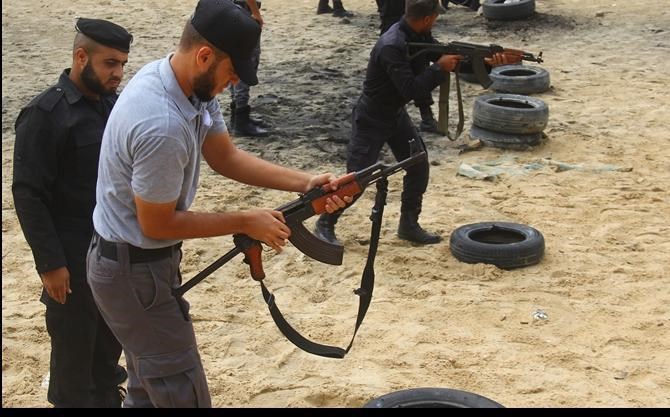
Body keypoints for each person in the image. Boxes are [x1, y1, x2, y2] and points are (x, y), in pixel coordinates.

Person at [86, 0, 348, 408]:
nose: (235, 82)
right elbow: (157, 223)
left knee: (148, 389)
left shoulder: (185, 82)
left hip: (137, 265)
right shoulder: (161, 123)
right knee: (180, 390)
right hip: (133, 271)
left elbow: (225, 157)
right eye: (232, 72)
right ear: (205, 55)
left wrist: (306, 183)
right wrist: (244, 220)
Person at [314, 0, 521, 245]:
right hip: (372, 117)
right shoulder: (392, 45)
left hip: (394, 114)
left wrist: (486, 62)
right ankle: (325, 223)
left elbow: (445, 57)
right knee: (357, 179)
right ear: (428, 19)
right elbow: (411, 88)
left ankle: (409, 225)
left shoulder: (417, 35)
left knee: (418, 165)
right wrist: (439, 69)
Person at [12, 18, 133, 408]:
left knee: (108, 354)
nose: (118, 73)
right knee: (73, 362)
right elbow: (28, 194)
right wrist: (50, 264)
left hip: (112, 252)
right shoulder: (45, 114)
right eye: (109, 63)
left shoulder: (115, 105)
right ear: (81, 57)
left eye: (122, 64)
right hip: (70, 258)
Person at [228, 0, 270, 137]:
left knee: (235, 62)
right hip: (242, 11)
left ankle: (236, 117)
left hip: (230, 10)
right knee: (247, 61)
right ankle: (241, 121)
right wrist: (256, 13)